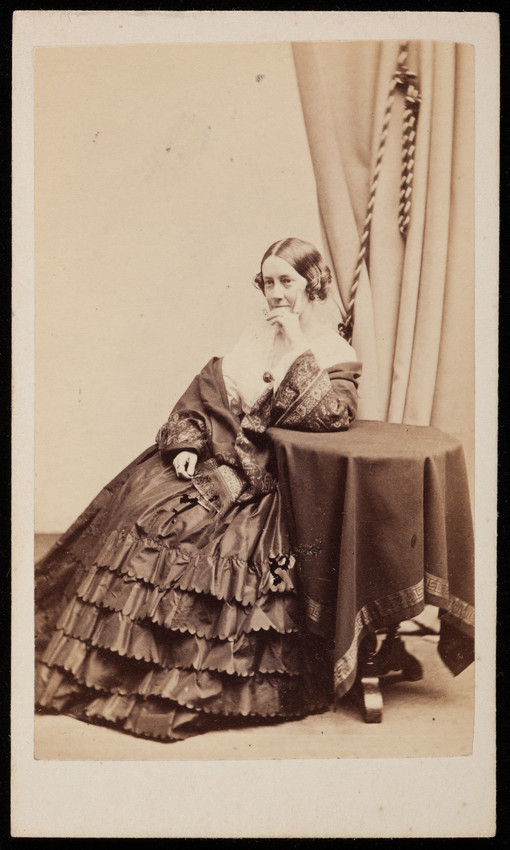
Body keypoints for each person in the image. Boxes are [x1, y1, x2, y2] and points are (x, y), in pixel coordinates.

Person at [35, 237, 362, 743]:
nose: (276, 293)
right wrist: (189, 441)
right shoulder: (254, 337)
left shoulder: (333, 350)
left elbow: (332, 415)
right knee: (144, 503)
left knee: (210, 542)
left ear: (313, 283)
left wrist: (298, 343)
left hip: (275, 478)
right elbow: (209, 394)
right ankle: (109, 661)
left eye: (287, 281)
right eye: (268, 282)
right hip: (222, 456)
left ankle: (176, 672)